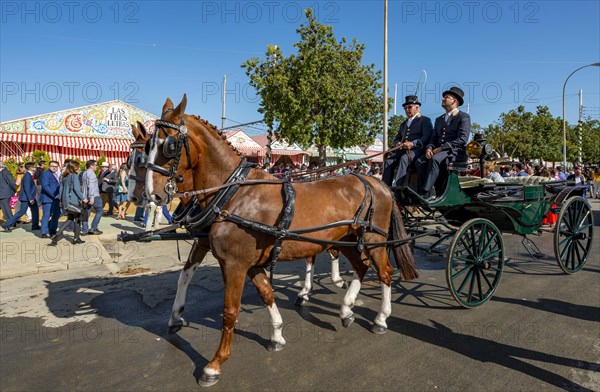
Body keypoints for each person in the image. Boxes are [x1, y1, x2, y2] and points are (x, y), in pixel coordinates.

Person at [420, 87, 471, 200]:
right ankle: (425, 190)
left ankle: (427, 192)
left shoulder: (463, 117)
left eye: (447, 97)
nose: (443, 99)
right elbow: (434, 138)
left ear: (454, 101)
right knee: (420, 160)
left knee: (435, 159)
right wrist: (429, 148)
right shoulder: (439, 119)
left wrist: (442, 147)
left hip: (455, 151)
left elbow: (463, 139)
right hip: (439, 151)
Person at [382, 95, 433, 188]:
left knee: (404, 159)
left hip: (417, 151)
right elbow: (397, 138)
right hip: (402, 150)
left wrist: (412, 143)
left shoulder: (425, 120)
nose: (407, 110)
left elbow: (427, 136)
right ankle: (385, 188)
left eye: (410, 107)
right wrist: (397, 143)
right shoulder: (403, 124)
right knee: (389, 160)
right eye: (405, 108)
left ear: (417, 107)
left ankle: (397, 189)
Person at [49, 161, 87, 246]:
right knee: (76, 218)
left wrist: (62, 201)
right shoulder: (74, 176)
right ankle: (75, 238)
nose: (79, 168)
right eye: (78, 166)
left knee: (70, 219)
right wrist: (83, 199)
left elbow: (61, 190)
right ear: (74, 168)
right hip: (73, 200)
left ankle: (59, 237)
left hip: (66, 201)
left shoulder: (64, 176)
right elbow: (77, 189)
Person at [2, 162, 40, 232]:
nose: (35, 168)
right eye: (34, 167)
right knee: (21, 212)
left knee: (35, 210)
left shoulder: (29, 175)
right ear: (31, 168)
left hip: (29, 197)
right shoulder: (27, 176)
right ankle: (6, 225)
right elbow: (27, 188)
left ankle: (35, 225)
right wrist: (30, 198)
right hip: (27, 197)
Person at [39, 160, 62, 238]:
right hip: (48, 198)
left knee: (56, 214)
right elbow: (45, 186)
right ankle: (44, 232)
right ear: (49, 166)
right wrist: (54, 195)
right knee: (46, 215)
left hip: (56, 199)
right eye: (52, 166)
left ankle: (53, 229)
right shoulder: (45, 174)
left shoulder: (55, 174)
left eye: (56, 166)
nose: (54, 168)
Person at [80, 160, 104, 235]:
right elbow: (91, 186)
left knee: (86, 213)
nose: (97, 167)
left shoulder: (84, 173)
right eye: (96, 165)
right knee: (100, 211)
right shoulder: (91, 174)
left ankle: (85, 229)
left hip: (85, 196)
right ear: (91, 166)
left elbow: (83, 186)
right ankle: (94, 228)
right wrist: (92, 197)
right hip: (94, 195)